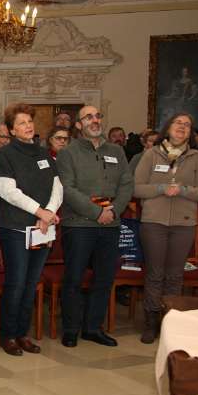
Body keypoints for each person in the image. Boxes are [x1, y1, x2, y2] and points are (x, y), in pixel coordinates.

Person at [55, 106, 133, 348]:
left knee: (104, 278)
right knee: (74, 279)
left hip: (111, 224)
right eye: (88, 117)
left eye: (98, 116)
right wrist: (97, 212)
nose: (95, 120)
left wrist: (113, 211)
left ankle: (92, 328)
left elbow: (126, 184)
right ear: (79, 125)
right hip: (79, 225)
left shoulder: (116, 151)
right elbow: (67, 189)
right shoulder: (68, 153)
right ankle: (70, 329)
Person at [133, 113, 198, 343]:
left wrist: (184, 190)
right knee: (155, 274)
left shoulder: (197, 158)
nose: (183, 127)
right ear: (168, 128)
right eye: (178, 123)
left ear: (191, 133)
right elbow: (136, 188)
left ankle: (170, 322)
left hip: (184, 224)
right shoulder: (151, 154)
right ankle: (151, 322)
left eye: (187, 125)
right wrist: (160, 188)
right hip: (153, 222)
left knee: (175, 276)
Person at [0, 104, 63, 356]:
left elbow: (58, 186)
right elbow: (8, 192)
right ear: (12, 130)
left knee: (32, 282)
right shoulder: (5, 155)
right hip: (15, 228)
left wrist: (49, 213)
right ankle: (8, 335)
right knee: (17, 282)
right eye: (21, 123)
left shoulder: (43, 153)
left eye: (30, 121)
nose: (28, 126)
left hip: (42, 227)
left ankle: (22, 333)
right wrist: (40, 212)